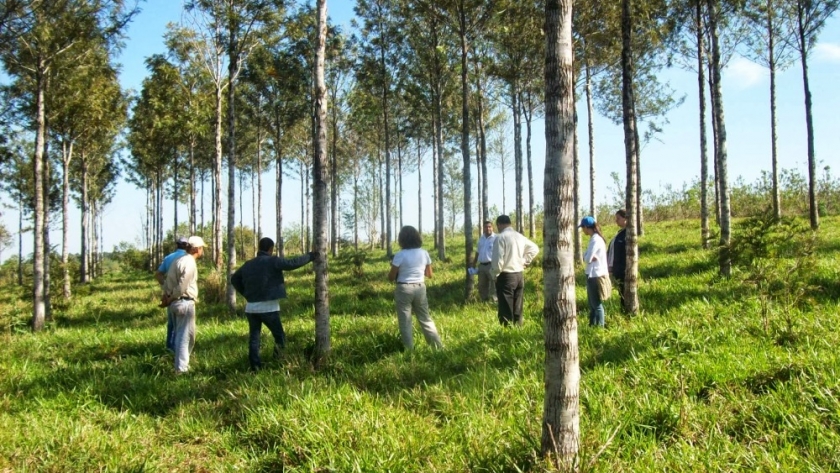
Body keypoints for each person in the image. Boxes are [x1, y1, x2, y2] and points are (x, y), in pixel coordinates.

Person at [230, 238, 315, 371]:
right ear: (270, 249)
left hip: (251, 308)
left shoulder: (248, 264)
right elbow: (292, 263)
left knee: (254, 338)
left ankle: (255, 367)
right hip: (268, 307)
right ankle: (277, 362)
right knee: (279, 336)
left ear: (259, 248)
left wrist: (246, 294)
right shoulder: (273, 260)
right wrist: (311, 256)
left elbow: (234, 279)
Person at [387, 226, 443, 350]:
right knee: (425, 318)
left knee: (405, 322)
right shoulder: (424, 253)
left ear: (402, 239)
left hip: (404, 288)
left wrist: (397, 268)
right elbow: (429, 274)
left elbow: (391, 277)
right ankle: (438, 347)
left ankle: (409, 351)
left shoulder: (400, 255)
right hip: (420, 287)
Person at [161, 236, 206, 374]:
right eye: (202, 248)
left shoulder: (178, 260)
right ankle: (181, 370)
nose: (202, 250)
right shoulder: (189, 262)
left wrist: (167, 296)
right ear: (197, 249)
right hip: (183, 302)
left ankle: (182, 365)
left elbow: (168, 280)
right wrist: (171, 297)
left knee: (188, 336)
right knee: (184, 337)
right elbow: (182, 286)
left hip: (176, 302)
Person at [491, 215, 539, 327]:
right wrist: (524, 261)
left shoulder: (500, 237)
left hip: (506, 275)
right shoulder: (519, 236)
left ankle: (507, 333)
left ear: (499, 224)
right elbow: (534, 248)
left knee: (505, 308)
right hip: (519, 275)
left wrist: (495, 275)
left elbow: (498, 261)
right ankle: (518, 329)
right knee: (517, 307)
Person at [156, 236, 189, 352]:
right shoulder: (187, 258)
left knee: (172, 323)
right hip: (184, 295)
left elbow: (158, 274)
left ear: (177, 245)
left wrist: (165, 287)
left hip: (170, 294)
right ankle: (179, 351)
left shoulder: (169, 257)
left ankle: (170, 347)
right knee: (183, 326)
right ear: (187, 246)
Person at [580, 216, 608, 327]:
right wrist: (587, 255)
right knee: (592, 304)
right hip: (592, 273)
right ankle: (592, 325)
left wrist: (586, 256)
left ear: (587, 227)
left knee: (596, 305)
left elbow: (587, 258)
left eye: (583, 227)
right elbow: (587, 257)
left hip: (594, 275)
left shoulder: (595, 240)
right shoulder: (594, 239)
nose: (583, 230)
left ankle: (600, 327)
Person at [472, 220, 497, 303]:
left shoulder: (496, 238)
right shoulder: (481, 239)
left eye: (489, 227)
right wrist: (474, 263)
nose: (488, 228)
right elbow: (477, 252)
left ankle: (494, 301)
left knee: (493, 284)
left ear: (492, 228)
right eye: (486, 227)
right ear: (483, 228)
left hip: (492, 265)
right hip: (481, 266)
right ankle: (484, 301)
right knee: (482, 284)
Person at [607, 209, 628, 308]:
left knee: (625, 293)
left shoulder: (628, 234)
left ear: (626, 219)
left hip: (623, 269)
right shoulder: (620, 233)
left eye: (618, 218)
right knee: (621, 293)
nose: (616, 221)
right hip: (617, 269)